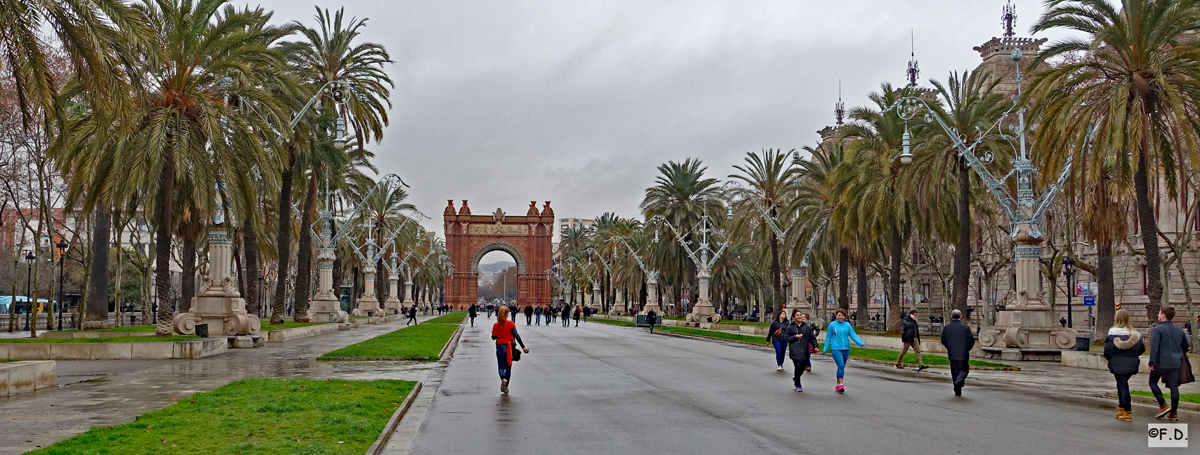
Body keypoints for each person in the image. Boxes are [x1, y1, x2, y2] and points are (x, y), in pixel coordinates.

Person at [1148, 306, 1190, 421]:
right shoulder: (1179, 330)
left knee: (1152, 382)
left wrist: (1152, 362)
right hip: (1175, 363)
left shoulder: (1158, 330)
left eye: (1159, 313)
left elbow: (1154, 348)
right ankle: (1174, 412)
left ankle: (1163, 404)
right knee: (1174, 387)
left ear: (1163, 315)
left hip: (1161, 362)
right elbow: (1186, 345)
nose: (1158, 315)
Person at [1104, 309, 1145, 422]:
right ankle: (1121, 407)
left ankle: (1128, 410)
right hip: (1132, 363)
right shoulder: (1135, 335)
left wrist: (1111, 359)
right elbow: (1142, 349)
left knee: (1123, 386)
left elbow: (1107, 351)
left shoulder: (1112, 335)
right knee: (1121, 384)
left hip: (1117, 363)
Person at [822, 308, 866, 393]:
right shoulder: (832, 325)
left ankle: (838, 383)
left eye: (842, 315)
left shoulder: (847, 325)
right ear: (836, 316)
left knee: (841, 367)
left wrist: (861, 344)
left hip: (846, 348)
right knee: (841, 365)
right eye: (839, 315)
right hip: (836, 348)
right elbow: (828, 338)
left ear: (845, 316)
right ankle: (841, 385)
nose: (840, 317)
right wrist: (825, 349)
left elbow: (853, 335)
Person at [491, 306, 529, 394]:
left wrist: (500, 335)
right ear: (507, 314)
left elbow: (493, 337)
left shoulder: (496, 325)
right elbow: (516, 335)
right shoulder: (510, 324)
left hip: (500, 347)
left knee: (501, 366)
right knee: (508, 367)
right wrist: (523, 347)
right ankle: (506, 386)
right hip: (510, 347)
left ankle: (503, 379)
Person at [940, 309, 976, 396]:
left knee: (954, 371)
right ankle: (959, 381)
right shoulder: (965, 327)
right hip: (963, 352)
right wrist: (967, 348)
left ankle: (957, 389)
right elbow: (971, 340)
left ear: (951, 316)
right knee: (964, 369)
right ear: (960, 316)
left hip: (952, 352)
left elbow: (943, 339)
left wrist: (949, 347)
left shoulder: (947, 327)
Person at [783, 310, 817, 392]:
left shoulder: (807, 327)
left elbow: (812, 338)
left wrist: (815, 347)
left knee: (802, 368)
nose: (799, 316)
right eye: (797, 315)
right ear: (794, 317)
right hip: (795, 350)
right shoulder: (790, 327)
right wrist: (795, 337)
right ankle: (798, 385)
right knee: (797, 366)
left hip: (805, 351)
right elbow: (786, 338)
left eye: (800, 315)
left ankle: (796, 378)